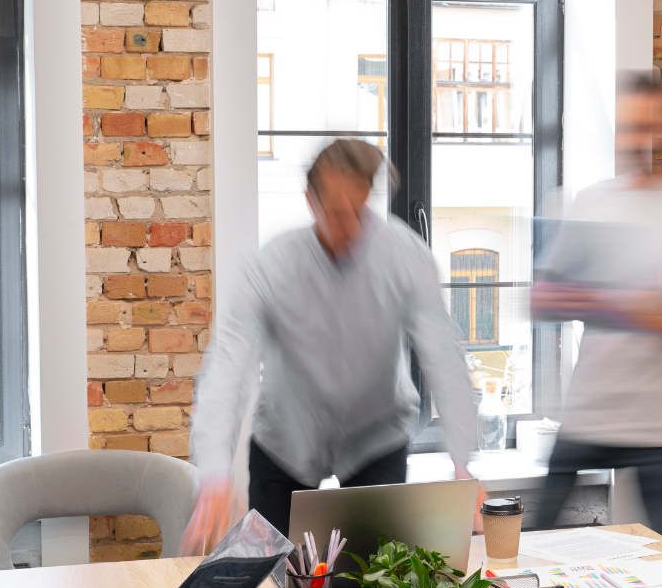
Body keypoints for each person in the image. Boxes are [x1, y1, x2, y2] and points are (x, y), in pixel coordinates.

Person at [183, 139, 482, 553]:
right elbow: (228, 367)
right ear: (311, 201)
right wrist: (215, 472)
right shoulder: (271, 266)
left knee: (378, 586)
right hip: (285, 443)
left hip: (375, 438)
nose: (351, 229)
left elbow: (444, 358)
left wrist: (464, 462)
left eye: (359, 212)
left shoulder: (407, 258)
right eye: (338, 214)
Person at [530, 73, 662, 539]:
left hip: (650, 426)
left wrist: (611, 300)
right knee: (538, 544)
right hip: (586, 413)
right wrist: (638, 302)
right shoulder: (591, 202)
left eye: (648, 124)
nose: (639, 137)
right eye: (629, 125)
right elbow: (543, 299)